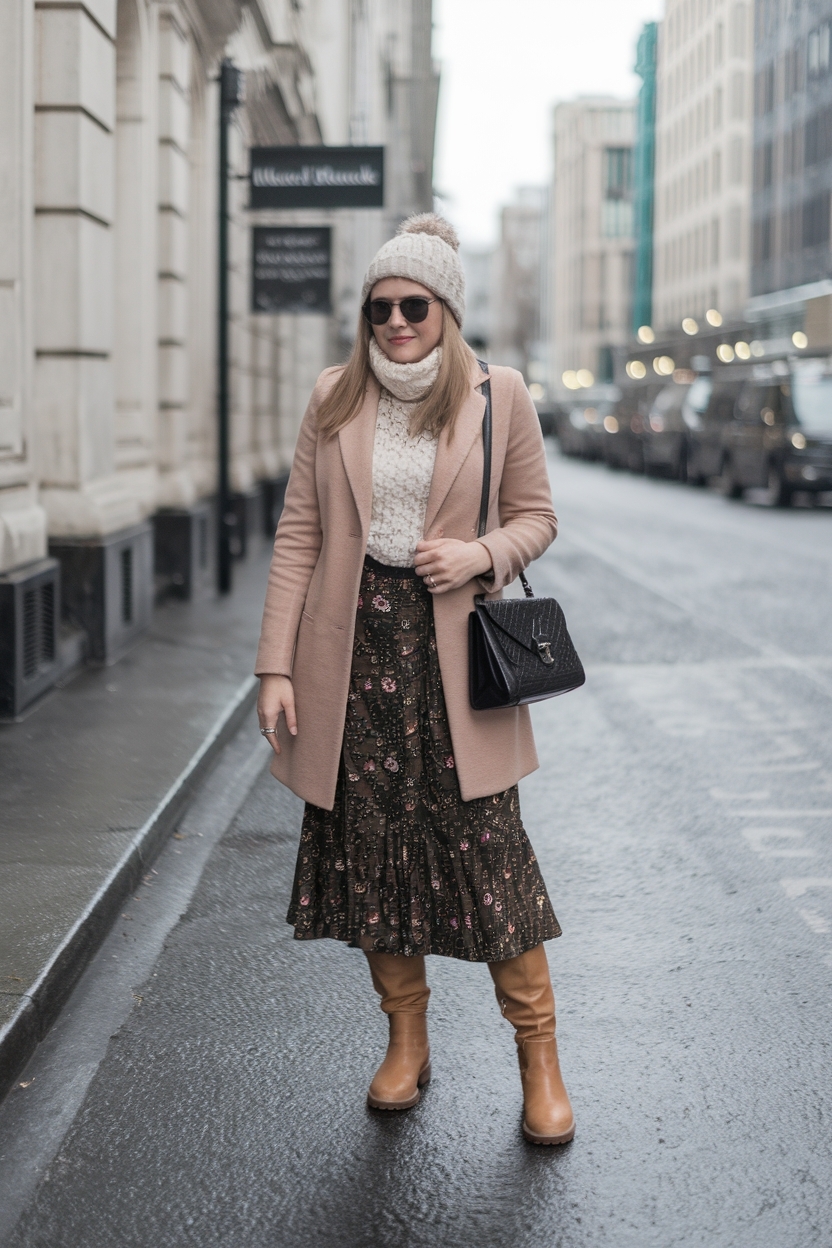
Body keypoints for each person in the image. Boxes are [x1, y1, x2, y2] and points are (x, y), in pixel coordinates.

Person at [255, 214, 574, 1146]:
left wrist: (480, 552)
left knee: (488, 856)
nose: (396, 321)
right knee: (370, 854)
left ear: (446, 310)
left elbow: (537, 516)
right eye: (380, 306)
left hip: (454, 659)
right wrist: (275, 665)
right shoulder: (334, 396)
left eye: (414, 305)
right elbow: (299, 538)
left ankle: (539, 1055)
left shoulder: (496, 393)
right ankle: (405, 1039)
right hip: (350, 660)